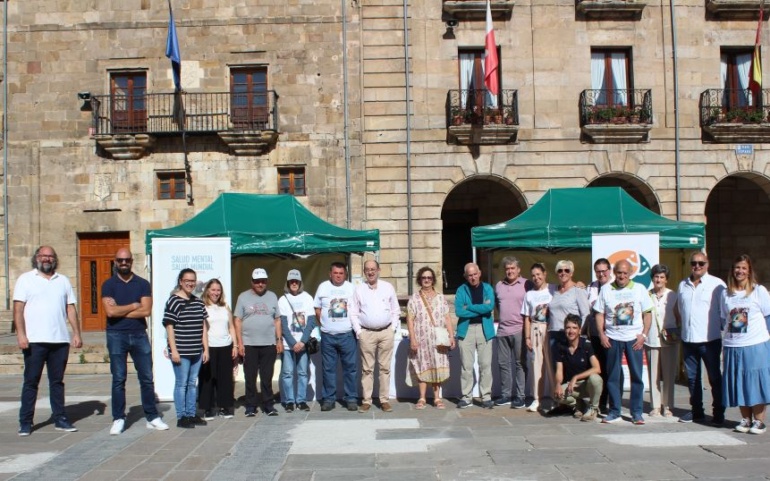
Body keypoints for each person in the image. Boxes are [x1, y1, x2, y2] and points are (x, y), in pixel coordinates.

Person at [14, 246, 83, 436]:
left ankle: (60, 418)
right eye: (43, 256)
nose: (47, 259)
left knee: (57, 382)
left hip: (59, 340)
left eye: (50, 256)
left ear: (55, 259)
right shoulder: (26, 279)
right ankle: (26, 421)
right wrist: (21, 334)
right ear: (37, 257)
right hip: (34, 341)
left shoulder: (63, 281)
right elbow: (18, 309)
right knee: (31, 382)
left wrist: (76, 333)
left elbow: (70, 308)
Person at [101, 248, 168, 435]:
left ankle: (152, 416)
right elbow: (110, 312)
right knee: (118, 378)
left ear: (132, 261)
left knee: (146, 377)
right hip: (116, 335)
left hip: (139, 334)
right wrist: (132, 306)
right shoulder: (108, 285)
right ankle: (119, 418)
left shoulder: (142, 284)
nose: (124, 263)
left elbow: (146, 311)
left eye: (127, 260)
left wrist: (120, 311)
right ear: (115, 262)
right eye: (120, 260)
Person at [594, 259, 652, 425]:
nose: (622, 276)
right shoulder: (606, 289)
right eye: (619, 272)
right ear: (614, 272)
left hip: (634, 339)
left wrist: (644, 335)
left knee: (637, 377)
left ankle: (637, 413)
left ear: (631, 273)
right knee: (613, 377)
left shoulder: (640, 289)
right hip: (613, 338)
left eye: (625, 273)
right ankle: (614, 411)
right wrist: (602, 334)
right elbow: (599, 313)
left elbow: (648, 313)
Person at [721, 254, 770, 435]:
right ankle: (745, 419)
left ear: (749, 271)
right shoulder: (725, 293)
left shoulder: (759, 291)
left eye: (743, 268)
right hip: (733, 345)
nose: (740, 271)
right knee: (739, 381)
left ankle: (759, 421)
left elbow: (768, 315)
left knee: (755, 382)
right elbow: (723, 318)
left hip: (756, 344)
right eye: (737, 267)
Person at [675, 251, 726, 425]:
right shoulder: (683, 284)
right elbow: (679, 308)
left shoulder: (717, 284)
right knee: (692, 379)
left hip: (709, 339)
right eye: (694, 263)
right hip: (689, 339)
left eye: (701, 263)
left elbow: (724, 310)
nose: (697, 266)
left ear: (707, 264)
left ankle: (718, 413)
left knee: (714, 378)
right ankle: (697, 412)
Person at [350, 260, 400, 413]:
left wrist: (392, 328)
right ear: (364, 272)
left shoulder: (387, 287)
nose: (370, 272)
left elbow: (395, 310)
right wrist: (359, 332)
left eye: (373, 269)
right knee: (367, 369)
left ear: (379, 270)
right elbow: (353, 312)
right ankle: (366, 401)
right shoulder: (359, 289)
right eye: (367, 270)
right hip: (367, 333)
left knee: (385, 368)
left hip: (386, 332)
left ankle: (384, 400)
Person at [163, 268, 209, 428]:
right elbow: (169, 327)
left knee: (192, 383)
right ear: (181, 282)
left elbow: (203, 326)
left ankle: (191, 414)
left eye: (193, 280)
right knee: (181, 383)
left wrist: (206, 349)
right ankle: (181, 417)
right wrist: (173, 350)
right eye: (187, 280)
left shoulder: (198, 302)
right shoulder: (173, 301)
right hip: (181, 351)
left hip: (197, 351)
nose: (190, 283)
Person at [234, 268, 283, 417]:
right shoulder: (243, 297)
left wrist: (279, 340)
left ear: (266, 281)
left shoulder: (273, 296)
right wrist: (240, 343)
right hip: (249, 344)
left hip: (268, 344)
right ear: (252, 282)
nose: (260, 284)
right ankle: (250, 405)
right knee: (250, 377)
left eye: (263, 281)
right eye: (257, 281)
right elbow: (237, 320)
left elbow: (277, 319)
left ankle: (268, 404)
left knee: (267, 376)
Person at [406, 266, 455, 409]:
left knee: (436, 366)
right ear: (419, 280)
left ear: (433, 280)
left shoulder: (441, 298)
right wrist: (412, 339)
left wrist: (451, 336)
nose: (426, 280)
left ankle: (437, 398)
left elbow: (447, 317)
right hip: (421, 339)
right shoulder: (414, 298)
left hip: (438, 340)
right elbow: (410, 319)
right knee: (422, 366)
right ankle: (421, 398)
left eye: (429, 278)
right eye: (424, 278)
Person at [314, 262, 357, 411]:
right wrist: (325, 325)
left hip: (347, 335)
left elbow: (356, 309)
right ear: (330, 274)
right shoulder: (323, 287)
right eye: (335, 273)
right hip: (328, 336)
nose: (338, 276)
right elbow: (317, 309)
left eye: (341, 273)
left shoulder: (351, 288)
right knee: (328, 369)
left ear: (345, 274)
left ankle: (351, 398)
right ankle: (328, 399)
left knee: (350, 368)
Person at [455, 262, 496, 409]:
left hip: (485, 329)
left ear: (479, 273)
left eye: (475, 274)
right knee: (466, 366)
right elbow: (459, 311)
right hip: (466, 330)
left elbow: (489, 307)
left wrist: (470, 307)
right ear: (466, 276)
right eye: (469, 275)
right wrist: (481, 309)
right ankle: (466, 397)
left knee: (485, 365)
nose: (473, 277)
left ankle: (486, 397)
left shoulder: (488, 288)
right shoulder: (461, 290)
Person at [494, 256, 532, 409]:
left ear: (518, 270)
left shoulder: (526, 284)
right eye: (507, 268)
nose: (510, 271)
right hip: (502, 330)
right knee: (503, 364)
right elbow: (498, 304)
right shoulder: (499, 285)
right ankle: (505, 395)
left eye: (512, 268)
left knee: (520, 364)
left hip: (520, 329)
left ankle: (520, 396)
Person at [198, 278, 237, 420]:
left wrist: (235, 345)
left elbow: (231, 327)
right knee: (208, 379)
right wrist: (205, 348)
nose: (216, 293)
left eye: (218, 290)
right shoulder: (202, 306)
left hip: (225, 346)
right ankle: (208, 408)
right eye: (213, 289)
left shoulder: (225, 308)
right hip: (209, 347)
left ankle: (225, 407)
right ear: (207, 290)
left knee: (225, 378)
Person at [278, 269, 316, 413]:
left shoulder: (307, 297)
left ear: (300, 282)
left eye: (296, 281)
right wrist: (293, 343)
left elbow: (311, 321)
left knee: (302, 373)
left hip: (303, 343)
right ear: (288, 282)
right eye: (291, 281)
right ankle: (289, 401)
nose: (294, 283)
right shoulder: (282, 300)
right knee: (287, 373)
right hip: (289, 345)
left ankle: (301, 400)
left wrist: (302, 341)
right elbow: (282, 324)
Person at [553, 314, 602, 422]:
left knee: (595, 379)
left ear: (580, 330)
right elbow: (559, 370)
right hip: (572, 387)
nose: (571, 331)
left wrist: (576, 377)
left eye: (574, 328)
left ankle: (593, 408)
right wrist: (557, 384)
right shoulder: (560, 347)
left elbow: (597, 368)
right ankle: (578, 404)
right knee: (557, 395)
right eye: (568, 327)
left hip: (587, 385)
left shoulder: (587, 345)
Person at [646, 264, 679, 418]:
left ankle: (668, 406)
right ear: (652, 278)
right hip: (652, 338)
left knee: (668, 374)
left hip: (669, 339)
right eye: (656, 277)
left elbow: (679, 316)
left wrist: (676, 331)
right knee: (653, 374)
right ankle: (655, 406)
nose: (658, 279)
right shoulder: (647, 295)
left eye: (661, 277)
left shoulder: (673, 295)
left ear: (666, 280)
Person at [522, 262, 555, 413]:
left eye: (538, 274)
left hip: (550, 329)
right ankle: (537, 399)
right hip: (535, 329)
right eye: (533, 275)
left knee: (552, 365)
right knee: (537, 366)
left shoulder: (553, 289)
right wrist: (527, 337)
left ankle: (557, 397)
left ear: (544, 274)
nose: (536, 278)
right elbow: (527, 318)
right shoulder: (529, 295)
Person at [584, 258, 615, 416]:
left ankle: (612, 402)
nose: (601, 274)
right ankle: (600, 402)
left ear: (609, 270)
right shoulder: (591, 287)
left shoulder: (615, 287)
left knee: (611, 370)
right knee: (599, 369)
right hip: (595, 335)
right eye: (598, 271)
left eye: (604, 271)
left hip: (610, 334)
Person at [548, 260, 590, 365]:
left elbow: (586, 314)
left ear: (571, 273)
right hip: (553, 335)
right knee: (554, 369)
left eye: (567, 270)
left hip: (571, 335)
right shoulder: (553, 290)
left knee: (570, 368)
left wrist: (579, 333)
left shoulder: (578, 290)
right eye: (560, 270)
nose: (563, 273)